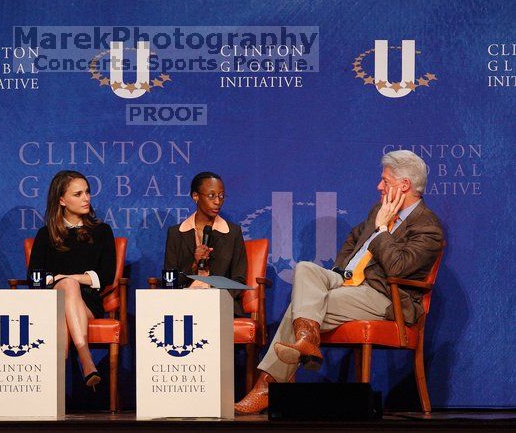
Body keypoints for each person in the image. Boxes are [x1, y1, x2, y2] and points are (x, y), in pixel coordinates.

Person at [235, 150, 444, 414]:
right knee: (305, 269)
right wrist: (341, 271)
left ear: (404, 185)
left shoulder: (428, 227)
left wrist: (381, 230)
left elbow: (397, 266)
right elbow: (354, 238)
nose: (379, 186)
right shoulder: (378, 209)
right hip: (348, 283)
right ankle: (306, 340)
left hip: (382, 296)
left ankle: (267, 384)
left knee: (304, 305)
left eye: (385, 181)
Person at [27, 170, 116, 389]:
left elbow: (105, 275)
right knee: (64, 299)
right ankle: (86, 359)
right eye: (78, 194)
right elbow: (34, 278)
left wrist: (68, 279)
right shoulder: (45, 235)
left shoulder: (102, 231)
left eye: (87, 192)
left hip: (87, 303)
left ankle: (50, 390)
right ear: (61, 200)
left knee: (68, 286)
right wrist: (64, 282)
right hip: (51, 304)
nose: (86, 198)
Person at [163, 172, 247, 315]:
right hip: (183, 304)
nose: (217, 202)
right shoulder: (176, 233)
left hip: (221, 305)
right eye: (211, 196)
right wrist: (194, 266)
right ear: (195, 196)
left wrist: (215, 298)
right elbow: (169, 283)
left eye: (221, 196)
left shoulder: (233, 232)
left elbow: (238, 280)